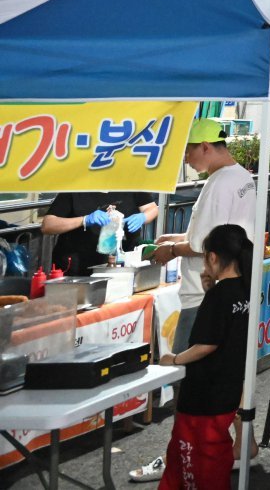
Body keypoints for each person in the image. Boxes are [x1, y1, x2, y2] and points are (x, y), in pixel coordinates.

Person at [131, 118, 258, 485]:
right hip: (227, 288)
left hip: (201, 294)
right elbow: (215, 237)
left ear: (205, 147)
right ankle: (237, 447)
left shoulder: (220, 183)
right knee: (226, 379)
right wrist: (175, 239)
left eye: (188, 151)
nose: (186, 159)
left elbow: (205, 244)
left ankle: (183, 453)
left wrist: (170, 251)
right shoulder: (241, 178)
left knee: (191, 386)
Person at [153, 224, 253, 490]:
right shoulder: (246, 290)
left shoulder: (220, 296)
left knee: (194, 460)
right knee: (211, 454)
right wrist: (210, 289)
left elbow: (207, 344)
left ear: (212, 257)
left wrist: (174, 359)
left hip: (204, 395)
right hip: (228, 390)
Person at [40, 189, 157, 275]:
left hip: (121, 266)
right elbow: (47, 225)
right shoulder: (75, 190)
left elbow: (152, 208)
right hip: (78, 268)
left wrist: (143, 217)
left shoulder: (129, 185)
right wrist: (84, 220)